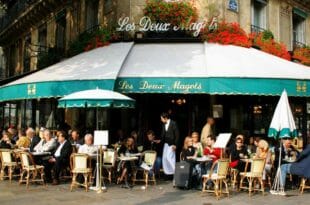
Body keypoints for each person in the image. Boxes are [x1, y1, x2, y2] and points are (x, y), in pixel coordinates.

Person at [160, 112, 179, 177]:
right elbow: (163, 135)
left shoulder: (173, 123)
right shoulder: (163, 125)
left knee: (170, 157)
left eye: (162, 118)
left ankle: (176, 172)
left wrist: (175, 144)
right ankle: (168, 173)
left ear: (165, 118)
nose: (161, 120)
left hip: (172, 144)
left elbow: (177, 135)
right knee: (164, 158)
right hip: (166, 143)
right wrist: (159, 141)